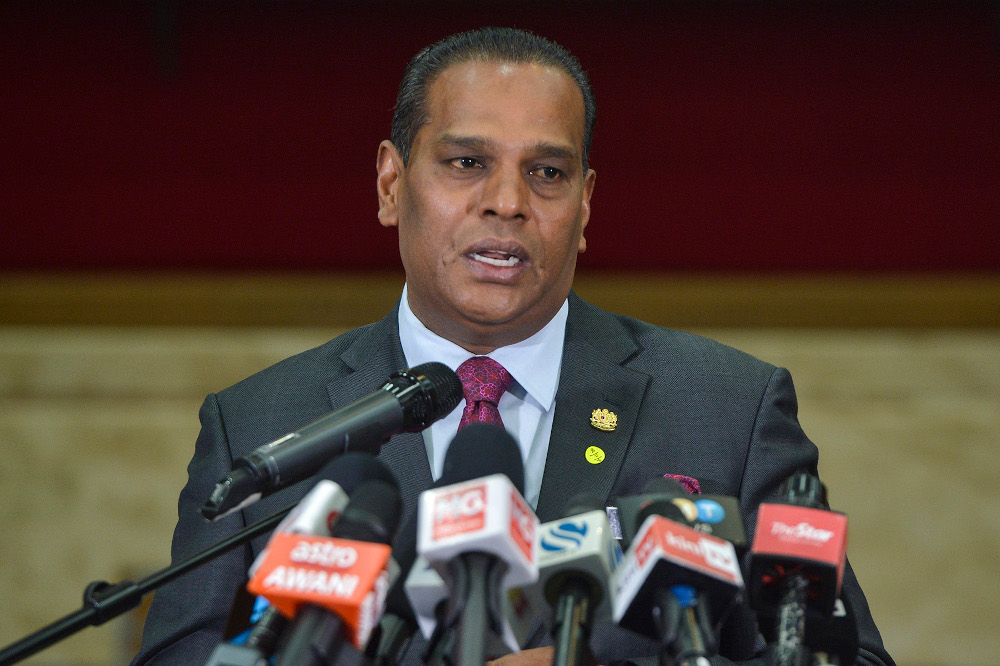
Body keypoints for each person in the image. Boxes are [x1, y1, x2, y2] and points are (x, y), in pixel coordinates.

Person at [132, 28, 893, 665]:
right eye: (467, 163)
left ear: (585, 205)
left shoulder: (727, 406)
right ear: (391, 184)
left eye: (547, 172)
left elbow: (848, 655)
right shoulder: (264, 424)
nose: (507, 201)